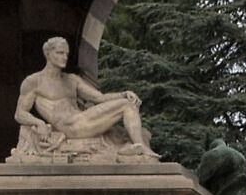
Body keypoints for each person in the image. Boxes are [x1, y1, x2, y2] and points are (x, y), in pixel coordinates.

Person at [11, 37, 156, 162]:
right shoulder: (34, 81)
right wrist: (38, 122)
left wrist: (123, 94)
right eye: (60, 53)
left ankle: (138, 147)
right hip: (70, 126)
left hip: (82, 120)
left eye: (66, 54)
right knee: (125, 106)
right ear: (47, 53)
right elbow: (19, 113)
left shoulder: (71, 79)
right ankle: (140, 147)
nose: (64, 57)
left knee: (127, 103)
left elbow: (98, 97)